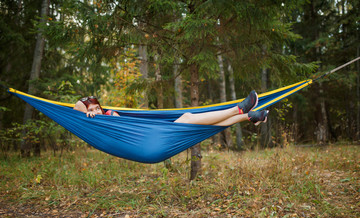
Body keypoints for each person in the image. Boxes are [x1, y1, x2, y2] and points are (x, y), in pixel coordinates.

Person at [74, 91, 269, 126]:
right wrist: (86, 112)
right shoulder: (91, 120)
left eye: (97, 108)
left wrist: (97, 114)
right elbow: (75, 109)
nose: (96, 111)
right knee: (186, 118)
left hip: (150, 135)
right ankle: (238, 110)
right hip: (148, 142)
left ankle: (248, 117)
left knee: (201, 124)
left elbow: (115, 121)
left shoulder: (109, 114)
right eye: (93, 109)